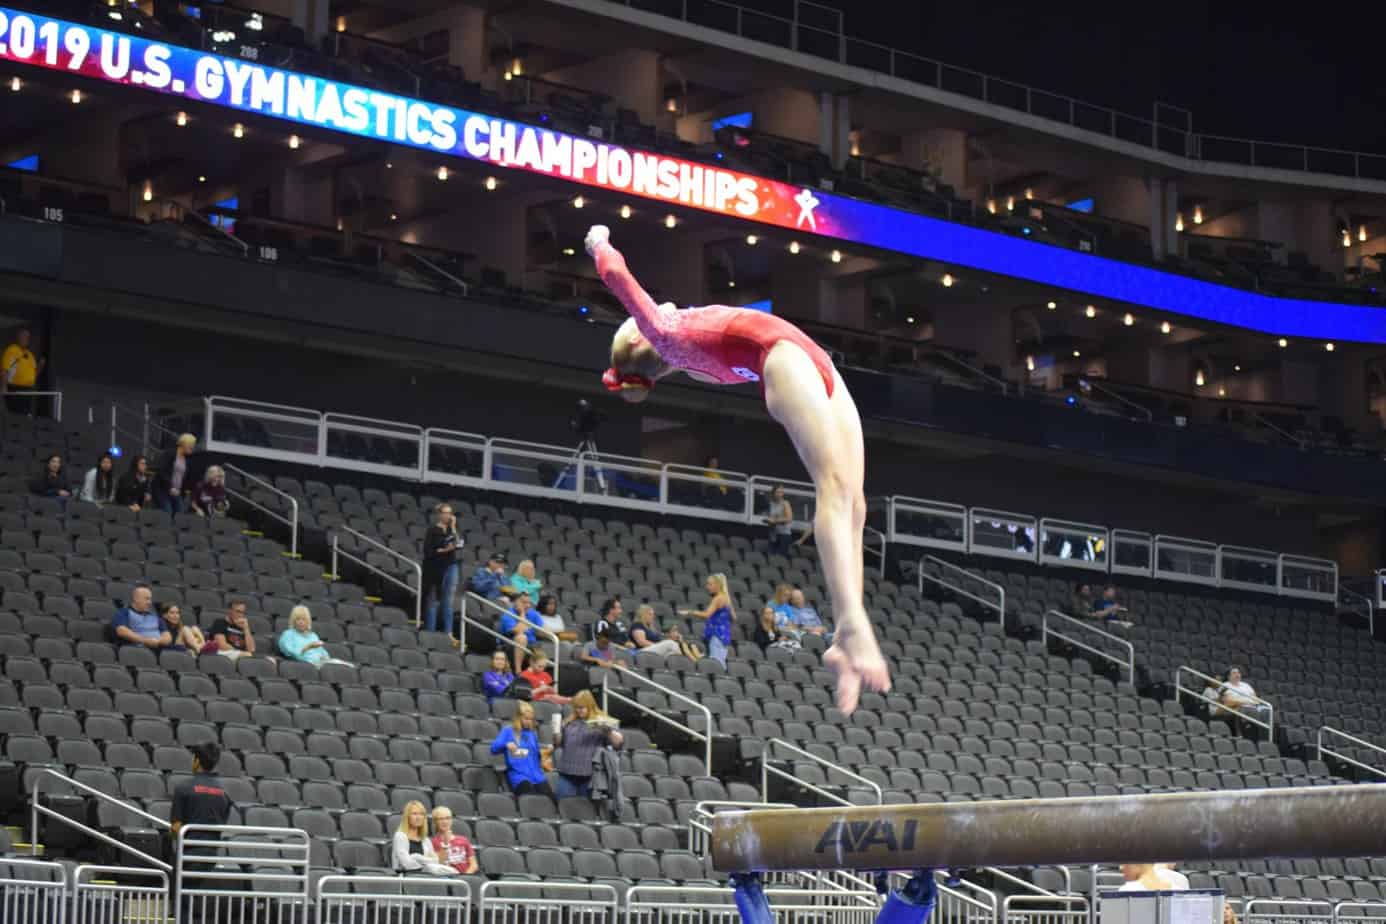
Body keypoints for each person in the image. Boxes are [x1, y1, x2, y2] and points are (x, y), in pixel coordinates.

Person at [586, 225, 888, 712]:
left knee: (856, 501)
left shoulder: (684, 354)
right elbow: (616, 276)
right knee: (833, 487)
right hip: (785, 360)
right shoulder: (665, 334)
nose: (652, 308)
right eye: (635, 321)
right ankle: (852, 622)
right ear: (641, 337)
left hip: (816, 363)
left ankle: (842, 640)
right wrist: (598, 241)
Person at [554, 690, 623, 798]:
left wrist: (608, 731)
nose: (579, 710)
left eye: (582, 707)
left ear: (590, 706)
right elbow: (558, 744)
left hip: (590, 776)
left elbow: (618, 744)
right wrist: (556, 731)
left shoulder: (602, 721)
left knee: (586, 807)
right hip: (567, 773)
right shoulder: (569, 722)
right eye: (576, 707)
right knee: (563, 804)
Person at [490, 701, 555, 797]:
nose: (529, 722)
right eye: (526, 719)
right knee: (531, 797)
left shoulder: (532, 734)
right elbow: (493, 749)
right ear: (518, 717)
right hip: (519, 777)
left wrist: (547, 752)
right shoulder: (508, 731)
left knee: (551, 799)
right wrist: (506, 744)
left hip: (536, 776)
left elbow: (535, 755)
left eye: (531, 719)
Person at [421, 503, 463, 637]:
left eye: (450, 513)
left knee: (448, 600)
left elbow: (459, 543)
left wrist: (453, 527)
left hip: (451, 565)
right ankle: (431, 631)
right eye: (445, 513)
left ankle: (448, 632)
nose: (448, 516)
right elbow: (428, 551)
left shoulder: (452, 529)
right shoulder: (432, 530)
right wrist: (444, 550)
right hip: (435, 567)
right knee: (433, 600)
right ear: (439, 514)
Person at [679, 573, 735, 667]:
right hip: (724, 636)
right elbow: (734, 618)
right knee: (719, 663)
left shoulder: (718, 599)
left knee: (716, 665)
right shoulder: (727, 599)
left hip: (717, 636)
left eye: (710, 584)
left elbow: (706, 614)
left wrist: (690, 612)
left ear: (717, 585)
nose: (707, 587)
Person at [391, 801, 456, 876]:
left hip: (425, 877)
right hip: (405, 878)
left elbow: (437, 862)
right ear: (407, 816)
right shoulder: (400, 836)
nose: (418, 817)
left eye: (421, 814)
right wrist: (427, 866)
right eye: (414, 814)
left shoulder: (425, 840)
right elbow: (407, 864)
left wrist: (417, 858)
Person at [278, 605, 352, 667]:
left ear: (308, 621)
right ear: (293, 621)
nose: (301, 622)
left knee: (348, 666)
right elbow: (293, 655)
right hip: (306, 665)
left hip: (321, 663)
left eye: (304, 619)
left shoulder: (312, 635)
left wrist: (324, 658)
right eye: (298, 619)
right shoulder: (288, 634)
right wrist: (308, 647)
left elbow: (324, 654)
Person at [499, 592, 545, 673]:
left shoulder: (533, 613)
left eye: (529, 603)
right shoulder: (508, 615)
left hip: (530, 645)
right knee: (521, 637)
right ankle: (518, 671)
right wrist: (522, 614)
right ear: (515, 602)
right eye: (524, 602)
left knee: (541, 646)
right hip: (510, 645)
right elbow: (519, 631)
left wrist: (541, 631)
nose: (528, 605)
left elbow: (543, 631)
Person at [2, 327, 43, 415]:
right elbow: (5, 369)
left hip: (28, 390)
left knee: (25, 415)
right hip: (15, 389)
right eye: (24, 336)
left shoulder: (30, 354)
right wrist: (4, 387)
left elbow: (34, 375)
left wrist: (40, 367)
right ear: (19, 337)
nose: (26, 339)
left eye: (28, 337)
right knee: (15, 415)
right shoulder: (12, 350)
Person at [153, 433, 197, 515]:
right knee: (167, 512)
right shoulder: (169, 454)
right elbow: (161, 471)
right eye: (191, 445)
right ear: (184, 444)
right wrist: (170, 487)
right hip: (163, 489)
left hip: (177, 492)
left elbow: (185, 477)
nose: (192, 448)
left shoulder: (187, 459)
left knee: (180, 514)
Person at [430, 806, 478, 875]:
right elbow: (439, 864)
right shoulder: (432, 842)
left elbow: (474, 865)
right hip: (447, 877)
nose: (445, 822)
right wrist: (445, 844)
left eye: (447, 818)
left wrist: (464, 876)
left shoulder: (463, 840)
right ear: (435, 822)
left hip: (466, 876)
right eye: (441, 819)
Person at [765, 485, 795, 555]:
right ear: (773, 493)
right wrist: (768, 521)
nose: (779, 494)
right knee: (771, 556)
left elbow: (789, 518)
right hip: (773, 533)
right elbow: (770, 517)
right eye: (778, 492)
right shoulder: (771, 503)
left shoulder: (785, 503)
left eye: (781, 492)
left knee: (780, 557)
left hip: (784, 534)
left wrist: (775, 521)